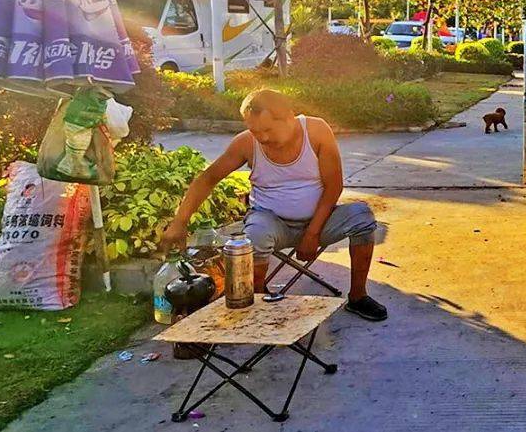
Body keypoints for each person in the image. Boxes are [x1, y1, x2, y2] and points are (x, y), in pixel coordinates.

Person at [160, 89, 387, 321]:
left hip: (321, 221)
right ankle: (258, 303)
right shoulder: (246, 143)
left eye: (268, 130)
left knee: (362, 216)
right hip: (272, 223)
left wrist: (312, 233)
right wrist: (180, 222)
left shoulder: (316, 131)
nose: (263, 138)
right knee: (254, 235)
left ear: (289, 117)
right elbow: (208, 178)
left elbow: (333, 187)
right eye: (255, 131)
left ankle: (358, 297)